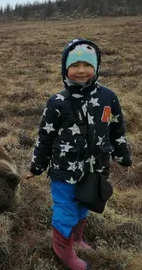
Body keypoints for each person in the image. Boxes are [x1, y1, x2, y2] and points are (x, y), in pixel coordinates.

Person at [24, 38, 132, 270]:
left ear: (96, 67)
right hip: (64, 169)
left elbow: (117, 129)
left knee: (85, 202)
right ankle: (62, 249)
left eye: (87, 64)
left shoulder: (108, 98)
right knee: (65, 209)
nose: (81, 70)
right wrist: (37, 166)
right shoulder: (57, 102)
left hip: (95, 167)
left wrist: (123, 155)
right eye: (74, 65)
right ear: (65, 68)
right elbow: (45, 138)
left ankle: (76, 238)